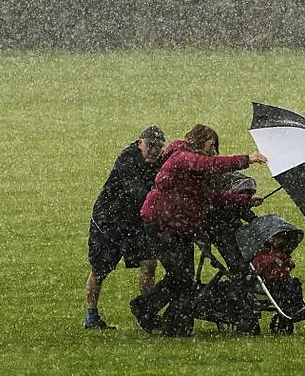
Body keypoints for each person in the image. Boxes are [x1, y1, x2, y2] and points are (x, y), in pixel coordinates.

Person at [130, 124, 268, 337]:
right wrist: (247, 159)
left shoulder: (195, 171)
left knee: (183, 278)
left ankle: (173, 323)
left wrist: (245, 201)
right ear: (202, 141)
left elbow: (210, 198)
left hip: (181, 228)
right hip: (160, 225)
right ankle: (148, 309)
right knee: (180, 277)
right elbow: (209, 164)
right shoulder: (183, 157)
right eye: (211, 145)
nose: (213, 150)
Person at [84, 126, 166, 330]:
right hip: (108, 224)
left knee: (149, 263)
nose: (154, 150)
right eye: (150, 145)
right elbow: (136, 192)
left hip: (135, 223)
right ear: (140, 143)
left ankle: (147, 312)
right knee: (100, 269)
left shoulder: (159, 162)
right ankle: (91, 315)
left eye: (158, 146)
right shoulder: (127, 160)